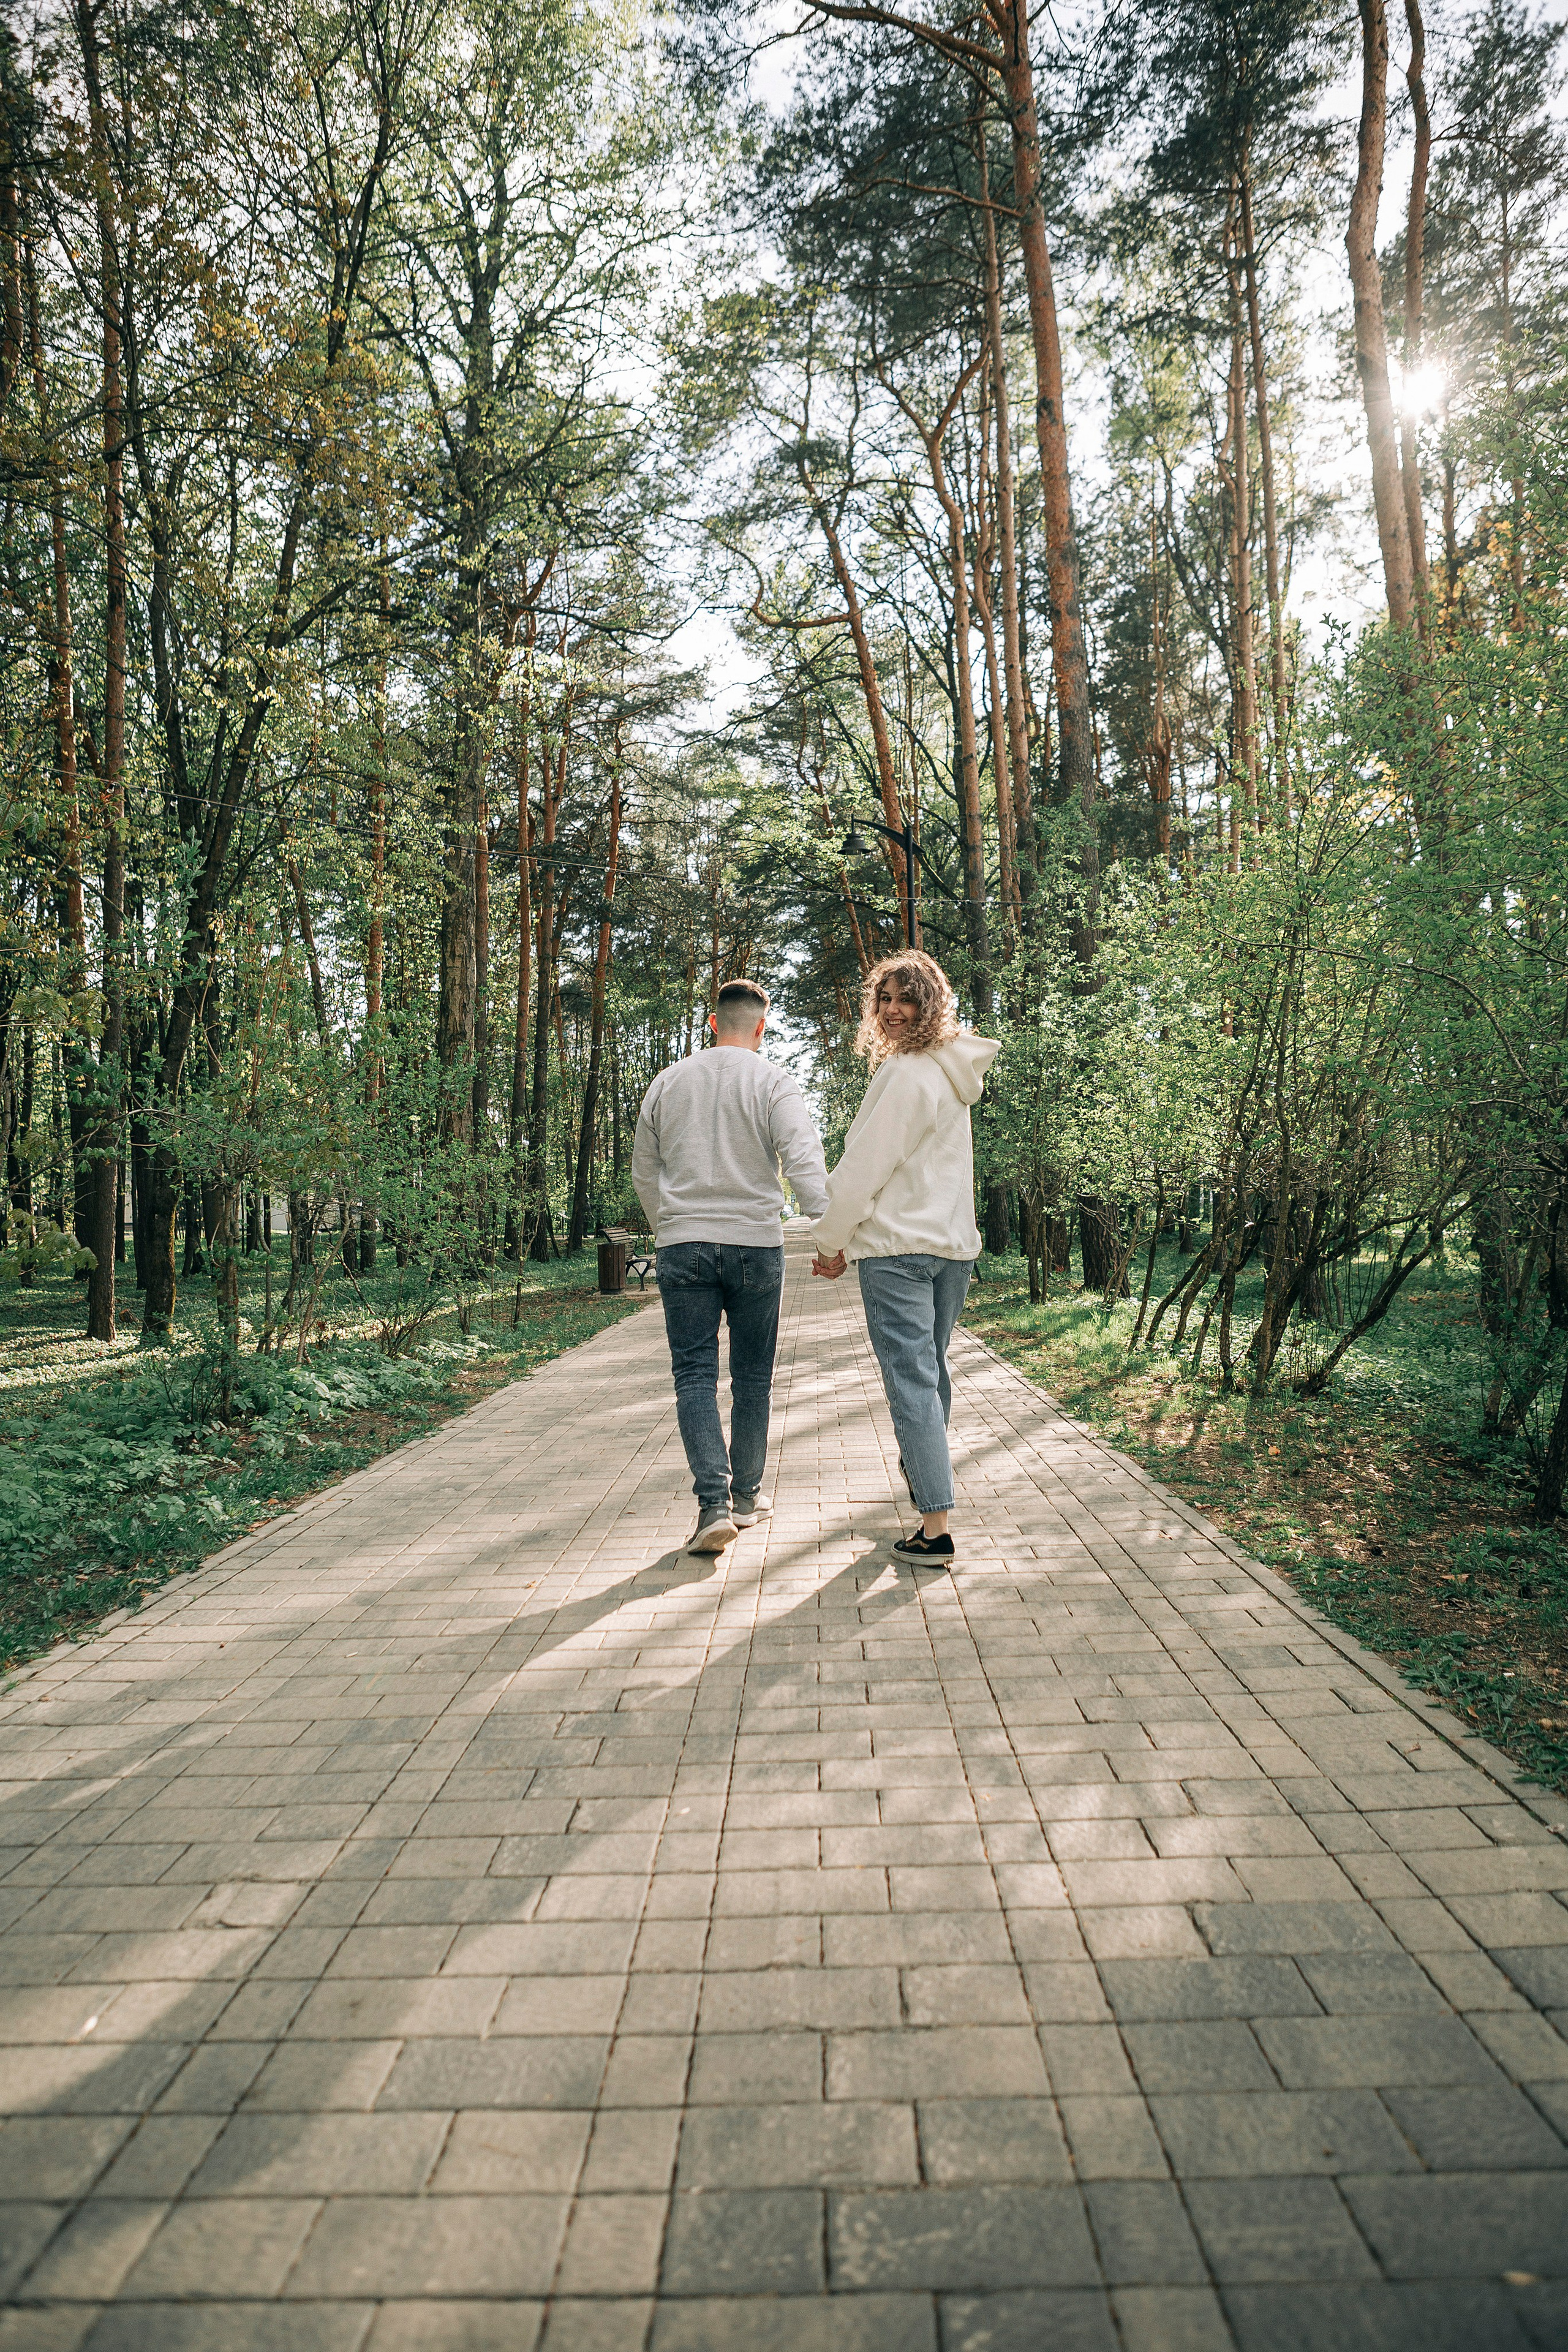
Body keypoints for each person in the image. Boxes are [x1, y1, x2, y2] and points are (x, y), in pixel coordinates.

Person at [809, 950, 998, 1565]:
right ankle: (928, 1498)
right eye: (884, 999)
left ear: (930, 1003)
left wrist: (830, 1242)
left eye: (906, 999)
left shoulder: (906, 1073)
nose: (893, 1011)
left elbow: (863, 1169)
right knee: (930, 1377)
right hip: (951, 1251)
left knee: (912, 1382)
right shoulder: (953, 1074)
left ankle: (935, 1526)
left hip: (899, 1253)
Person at [633, 978, 830, 1553]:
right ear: (761, 1029)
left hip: (684, 1244)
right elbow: (804, 1164)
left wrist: (666, 1227)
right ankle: (746, 1497)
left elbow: (646, 1170)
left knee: (694, 1376)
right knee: (753, 1377)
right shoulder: (774, 1081)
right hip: (755, 1246)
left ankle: (712, 1505)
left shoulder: (668, 1082)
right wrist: (831, 1234)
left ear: (713, 1023)